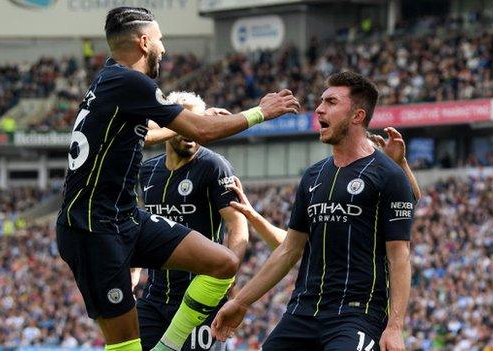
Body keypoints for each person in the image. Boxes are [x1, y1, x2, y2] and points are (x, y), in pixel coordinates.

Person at [55, 7, 299, 351]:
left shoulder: (109, 79)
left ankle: (167, 347)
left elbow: (146, 134)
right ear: (144, 42)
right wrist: (261, 112)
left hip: (123, 218)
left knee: (224, 262)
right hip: (92, 230)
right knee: (125, 347)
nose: (164, 48)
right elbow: (201, 130)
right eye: (159, 40)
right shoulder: (130, 81)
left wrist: (184, 122)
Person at [211, 71, 415, 351]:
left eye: (331, 102)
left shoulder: (388, 175)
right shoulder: (312, 176)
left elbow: (399, 256)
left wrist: (394, 327)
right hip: (302, 312)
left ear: (357, 116)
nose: (319, 108)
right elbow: (289, 250)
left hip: (357, 316)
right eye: (321, 101)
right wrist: (241, 302)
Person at [132, 91, 249, 351]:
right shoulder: (147, 172)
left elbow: (237, 227)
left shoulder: (214, 166)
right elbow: (137, 225)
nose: (191, 131)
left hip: (199, 300)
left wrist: (227, 279)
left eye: (197, 124)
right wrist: (133, 272)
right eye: (184, 123)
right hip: (154, 298)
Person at [227, 127, 421, 250]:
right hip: (314, 306)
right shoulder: (322, 196)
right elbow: (289, 244)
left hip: (362, 306)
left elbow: (411, 198)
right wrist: (252, 215)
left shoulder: (378, 201)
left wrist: (399, 165)